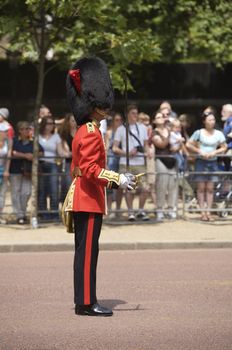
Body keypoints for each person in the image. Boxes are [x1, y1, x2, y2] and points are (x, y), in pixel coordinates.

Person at [66, 56, 136, 317]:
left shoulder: (84, 129)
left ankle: (83, 300)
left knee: (85, 252)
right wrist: (119, 179)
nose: (106, 109)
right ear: (94, 106)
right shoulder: (92, 132)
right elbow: (93, 170)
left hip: (84, 197)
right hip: (88, 198)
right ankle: (85, 303)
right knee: (87, 254)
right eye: (102, 106)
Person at [186, 112, 227, 221]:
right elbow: (188, 144)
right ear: (204, 121)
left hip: (212, 162)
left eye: (213, 120)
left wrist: (215, 152)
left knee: (210, 188)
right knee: (201, 188)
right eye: (209, 120)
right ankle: (202, 212)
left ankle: (208, 212)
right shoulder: (198, 133)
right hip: (201, 162)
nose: (212, 122)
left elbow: (224, 147)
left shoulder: (218, 133)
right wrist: (199, 151)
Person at [113, 104, 149, 221]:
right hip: (126, 162)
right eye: (133, 113)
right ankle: (130, 212)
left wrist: (148, 152)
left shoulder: (142, 127)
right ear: (127, 114)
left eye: (136, 113)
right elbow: (115, 148)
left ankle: (141, 210)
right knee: (129, 189)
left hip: (140, 162)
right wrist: (127, 153)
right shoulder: (121, 129)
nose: (135, 115)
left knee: (145, 188)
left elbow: (146, 145)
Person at [9, 121, 43, 224]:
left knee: (26, 192)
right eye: (25, 129)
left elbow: (41, 151)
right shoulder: (14, 141)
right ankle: (19, 216)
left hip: (28, 171)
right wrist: (25, 156)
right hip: (15, 170)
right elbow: (12, 152)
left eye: (28, 128)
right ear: (20, 131)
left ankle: (22, 213)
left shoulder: (33, 141)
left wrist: (34, 156)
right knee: (15, 193)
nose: (27, 131)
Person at [151, 111, 178, 221]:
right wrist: (169, 134)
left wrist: (177, 146)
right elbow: (161, 144)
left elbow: (175, 144)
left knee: (173, 185)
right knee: (161, 185)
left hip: (172, 160)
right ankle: (160, 210)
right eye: (158, 117)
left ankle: (171, 209)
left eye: (162, 116)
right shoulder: (154, 132)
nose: (161, 118)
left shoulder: (169, 130)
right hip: (161, 160)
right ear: (154, 121)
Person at [38, 116, 63, 220]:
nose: (50, 126)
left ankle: (54, 213)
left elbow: (60, 152)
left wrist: (70, 154)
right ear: (43, 124)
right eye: (48, 123)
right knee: (42, 189)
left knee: (54, 189)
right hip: (40, 164)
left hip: (52, 164)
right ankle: (43, 214)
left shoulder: (56, 137)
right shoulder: (37, 136)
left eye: (52, 123)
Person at [105, 112, 123, 218]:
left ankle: (118, 209)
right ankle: (109, 209)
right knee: (110, 185)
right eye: (117, 120)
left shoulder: (123, 132)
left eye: (120, 120)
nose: (119, 122)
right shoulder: (109, 132)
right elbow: (106, 148)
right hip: (112, 160)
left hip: (121, 159)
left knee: (120, 185)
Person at [58, 113, 77, 202]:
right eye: (72, 121)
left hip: (80, 163)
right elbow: (66, 151)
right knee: (68, 185)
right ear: (68, 122)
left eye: (75, 120)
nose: (74, 123)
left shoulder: (80, 133)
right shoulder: (65, 134)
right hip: (68, 163)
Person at [0, 124, 11, 224]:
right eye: (4, 131)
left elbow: (8, 157)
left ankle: (0, 214)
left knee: (2, 194)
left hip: (3, 169)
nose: (6, 133)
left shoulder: (8, 142)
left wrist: (6, 170)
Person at [221, 104, 232, 170]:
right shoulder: (227, 122)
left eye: (224, 111)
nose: (222, 113)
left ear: (230, 113)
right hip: (226, 149)